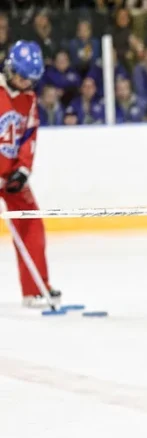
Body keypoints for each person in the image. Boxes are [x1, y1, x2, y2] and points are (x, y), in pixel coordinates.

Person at [0, 41, 62, 308]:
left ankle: (35, 288)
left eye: (30, 80)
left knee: (31, 222)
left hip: (9, 173)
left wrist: (23, 169)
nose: (25, 83)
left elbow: (28, 134)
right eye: (21, 77)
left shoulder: (29, 99)